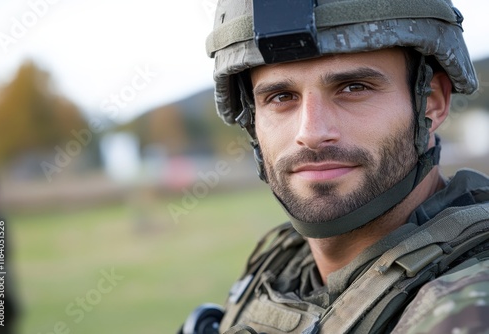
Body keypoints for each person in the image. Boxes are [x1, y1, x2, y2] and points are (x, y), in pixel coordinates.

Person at [180, 0, 489, 333]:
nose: (310, 134)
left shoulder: (469, 307)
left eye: (354, 88)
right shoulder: (281, 268)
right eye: (281, 97)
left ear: (432, 100)